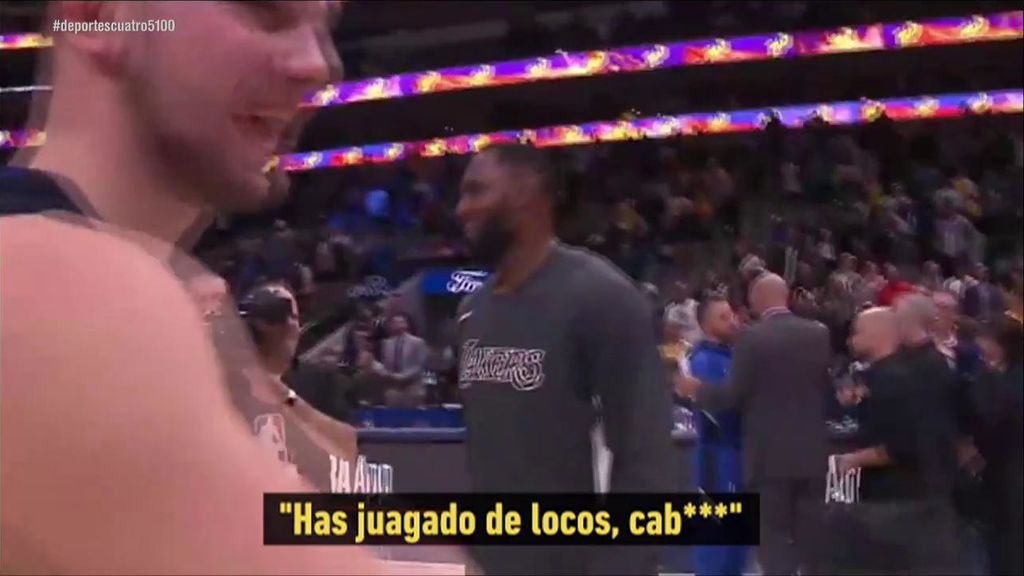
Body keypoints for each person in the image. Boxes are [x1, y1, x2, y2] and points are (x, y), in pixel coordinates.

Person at [1, 2, 383, 572]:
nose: (320, 64)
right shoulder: (55, 287)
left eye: (323, 24)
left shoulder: (176, 303)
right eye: (265, 9)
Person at [454, 144, 674, 575]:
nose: (462, 208)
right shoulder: (472, 310)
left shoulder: (600, 296)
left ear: (527, 192)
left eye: (477, 191)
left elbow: (646, 456)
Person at [680, 273, 831, 576]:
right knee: (811, 540)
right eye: (724, 316)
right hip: (811, 455)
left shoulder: (753, 339)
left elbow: (732, 396)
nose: (736, 321)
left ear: (755, 301)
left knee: (772, 540)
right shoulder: (819, 333)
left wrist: (696, 390)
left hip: (768, 457)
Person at [832, 306, 961, 574]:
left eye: (857, 332)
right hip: (908, 496)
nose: (851, 340)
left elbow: (903, 444)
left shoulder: (893, 380)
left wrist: (853, 459)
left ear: (877, 335)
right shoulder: (890, 375)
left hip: (900, 501)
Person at [234, 281, 359, 488]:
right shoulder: (224, 379)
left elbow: (347, 447)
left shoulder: (321, 381)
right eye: (271, 312)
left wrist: (285, 396)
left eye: (290, 315)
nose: (286, 324)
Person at [688, 295, 747, 576]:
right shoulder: (705, 360)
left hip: (736, 452)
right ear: (705, 325)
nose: (732, 321)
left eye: (732, 314)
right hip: (718, 453)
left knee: (736, 536)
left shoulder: (732, 356)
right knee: (717, 533)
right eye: (723, 317)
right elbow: (718, 413)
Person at [970, 316, 1024, 576]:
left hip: (1011, 470)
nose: (980, 346)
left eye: (985, 340)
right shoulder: (996, 375)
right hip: (1001, 470)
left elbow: (995, 421)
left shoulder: (1006, 382)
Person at [378, 313, 428, 407]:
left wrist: (402, 377)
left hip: (413, 387)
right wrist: (387, 374)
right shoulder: (386, 343)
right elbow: (385, 365)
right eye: (395, 322)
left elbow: (419, 366)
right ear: (391, 325)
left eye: (401, 322)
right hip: (393, 388)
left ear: (406, 324)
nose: (398, 324)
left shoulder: (418, 342)